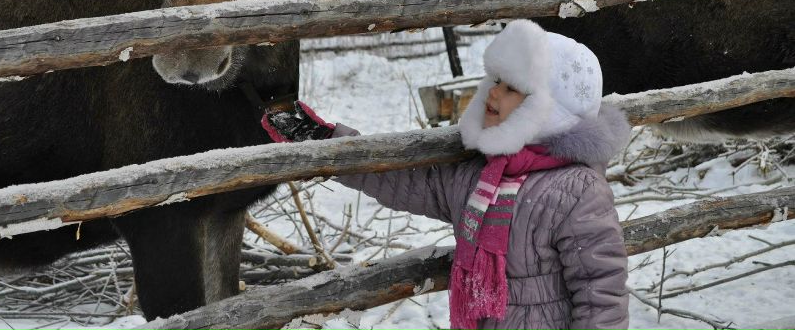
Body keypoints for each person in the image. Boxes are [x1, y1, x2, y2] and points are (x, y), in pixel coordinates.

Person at [263, 19, 630, 330]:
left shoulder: (577, 191)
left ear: (548, 110)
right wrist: (329, 144)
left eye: (512, 88)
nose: (493, 93)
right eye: (496, 80)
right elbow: (403, 181)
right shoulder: (477, 176)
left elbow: (600, 293)